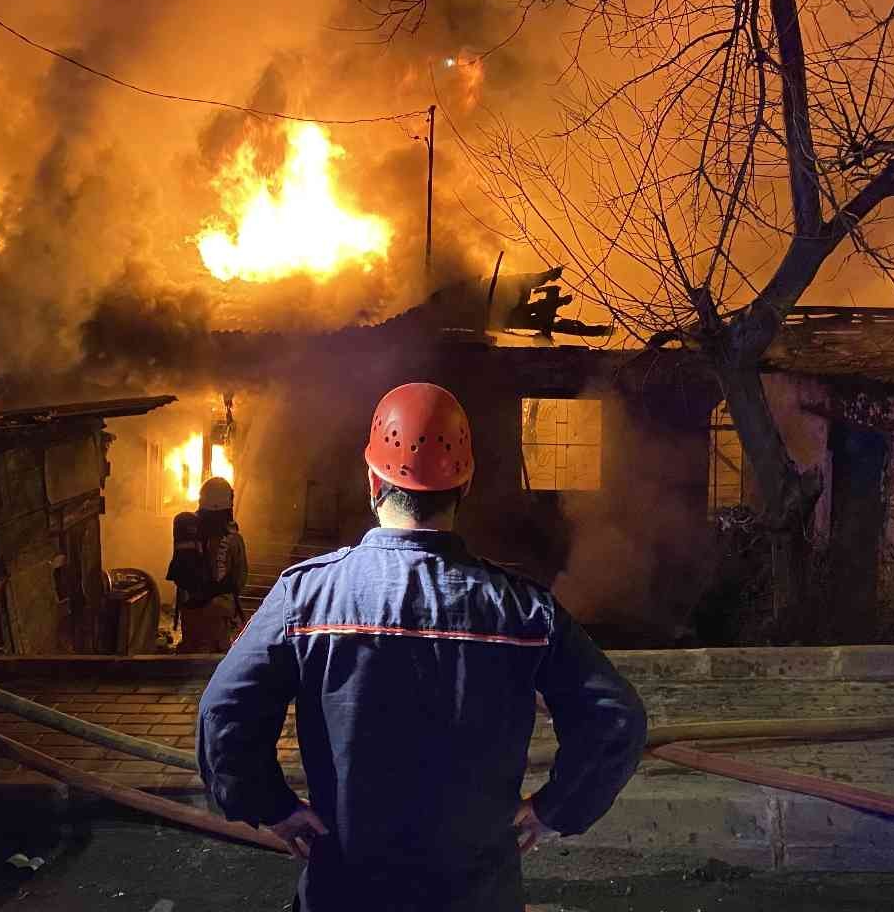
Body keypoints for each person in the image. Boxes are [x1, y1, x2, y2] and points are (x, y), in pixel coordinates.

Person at [196, 382, 647, 912]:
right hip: (476, 895)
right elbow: (615, 718)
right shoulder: (525, 610)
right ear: (466, 483)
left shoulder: (307, 596)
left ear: (372, 480)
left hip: (346, 890)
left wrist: (271, 805)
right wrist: (555, 808)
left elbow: (223, 712)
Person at [169, 476, 247, 653]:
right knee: (212, 666)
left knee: (191, 658)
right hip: (218, 615)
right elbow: (240, 580)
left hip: (190, 614)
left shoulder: (190, 533)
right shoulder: (234, 540)